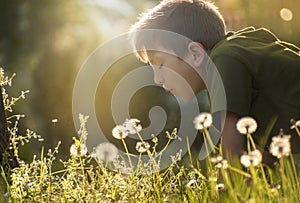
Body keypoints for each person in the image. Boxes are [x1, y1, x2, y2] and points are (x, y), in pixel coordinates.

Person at [129, 0, 300, 166]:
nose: (157, 79)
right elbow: (267, 161)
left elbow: (232, 160)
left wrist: (224, 191)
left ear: (195, 54)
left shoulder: (225, 60)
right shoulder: (239, 51)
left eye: (160, 64)